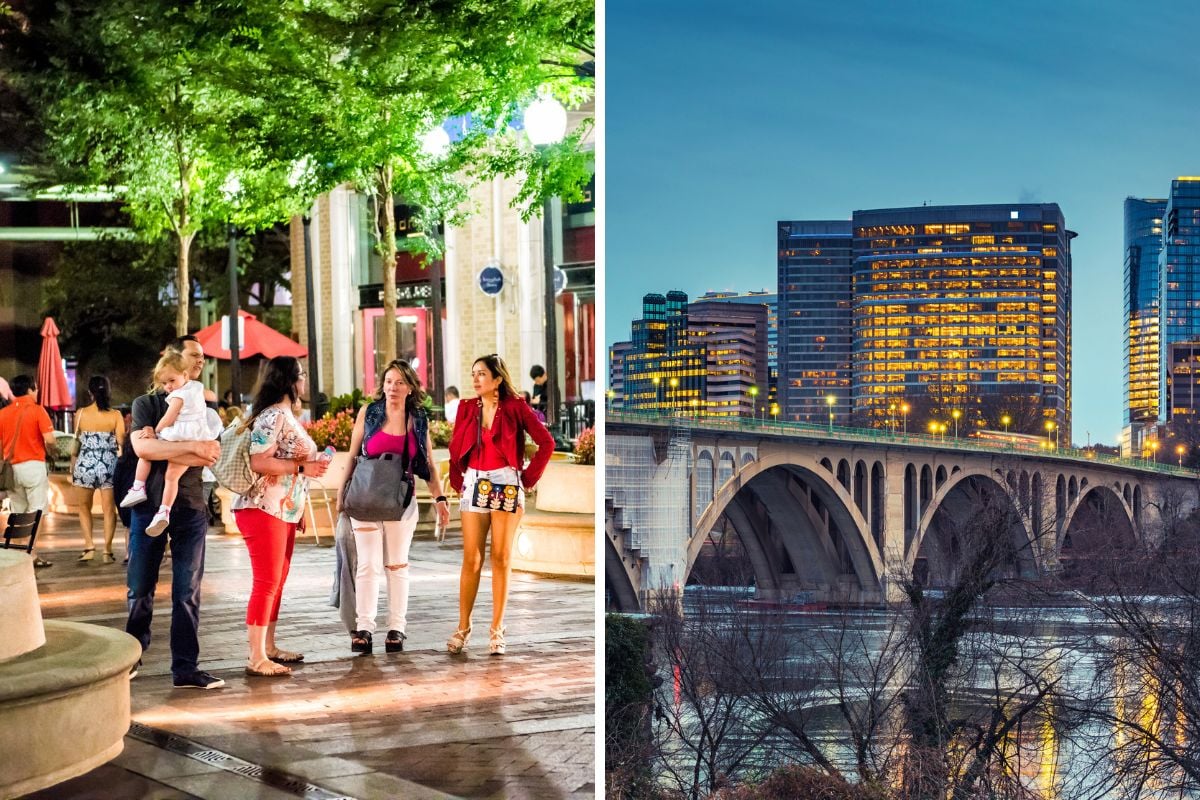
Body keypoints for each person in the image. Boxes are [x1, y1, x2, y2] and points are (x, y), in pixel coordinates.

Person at [124, 335, 224, 689]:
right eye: (193, 355)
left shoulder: (203, 404)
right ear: (173, 359)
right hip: (148, 507)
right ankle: (131, 657)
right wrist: (192, 446)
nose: (200, 361)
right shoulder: (146, 404)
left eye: (201, 356)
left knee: (187, 590)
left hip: (191, 507)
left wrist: (170, 448)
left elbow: (211, 454)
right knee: (139, 587)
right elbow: (141, 447)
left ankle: (185, 667)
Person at [339, 360, 450, 655]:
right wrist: (341, 496)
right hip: (364, 498)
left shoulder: (418, 418)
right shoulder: (370, 412)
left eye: (400, 382)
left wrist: (439, 498)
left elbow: (427, 463)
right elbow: (351, 456)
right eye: (389, 381)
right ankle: (364, 628)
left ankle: (396, 629)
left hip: (401, 500)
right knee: (367, 564)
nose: (393, 387)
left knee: (397, 565)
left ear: (410, 387)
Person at [447, 354, 554, 655]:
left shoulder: (516, 407)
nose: (475, 379)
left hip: (506, 482)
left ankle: (497, 629)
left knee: (502, 558)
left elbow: (546, 443)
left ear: (497, 378)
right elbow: (456, 448)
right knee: (472, 558)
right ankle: (463, 627)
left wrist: (527, 479)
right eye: (473, 373)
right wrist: (458, 483)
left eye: (482, 373)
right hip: (475, 481)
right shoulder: (467, 408)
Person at [233, 356, 329, 677]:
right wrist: (303, 467)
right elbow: (259, 461)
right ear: (289, 380)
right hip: (262, 507)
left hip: (283, 508)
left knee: (277, 582)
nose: (304, 380)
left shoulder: (286, 414)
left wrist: (298, 502)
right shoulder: (272, 415)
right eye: (300, 375)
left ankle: (268, 647)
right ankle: (256, 657)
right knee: (266, 582)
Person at [121, 352, 223, 536]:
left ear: (183, 374)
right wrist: (194, 448)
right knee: (171, 477)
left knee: (150, 456)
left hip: (181, 435)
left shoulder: (179, 396)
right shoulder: (197, 390)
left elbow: (170, 419)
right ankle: (164, 511)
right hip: (195, 436)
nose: (168, 386)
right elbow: (143, 450)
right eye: (164, 383)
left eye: (171, 381)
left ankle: (138, 486)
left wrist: (157, 432)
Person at [0, 375, 56, 567]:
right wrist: (52, 451)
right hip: (33, 466)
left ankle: (17, 551)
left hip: (12, 469)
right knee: (37, 511)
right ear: (30, 390)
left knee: (18, 511)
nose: (37, 392)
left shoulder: (3, 413)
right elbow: (50, 440)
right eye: (36, 389)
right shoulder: (37, 410)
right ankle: (30, 552)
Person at [71, 375, 125, 563]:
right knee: (109, 510)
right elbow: (121, 441)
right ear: (108, 391)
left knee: (84, 508)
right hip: (108, 463)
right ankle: (107, 552)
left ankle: (89, 547)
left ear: (89, 392)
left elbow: (76, 441)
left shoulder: (81, 413)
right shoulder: (115, 415)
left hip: (85, 463)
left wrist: (72, 465)